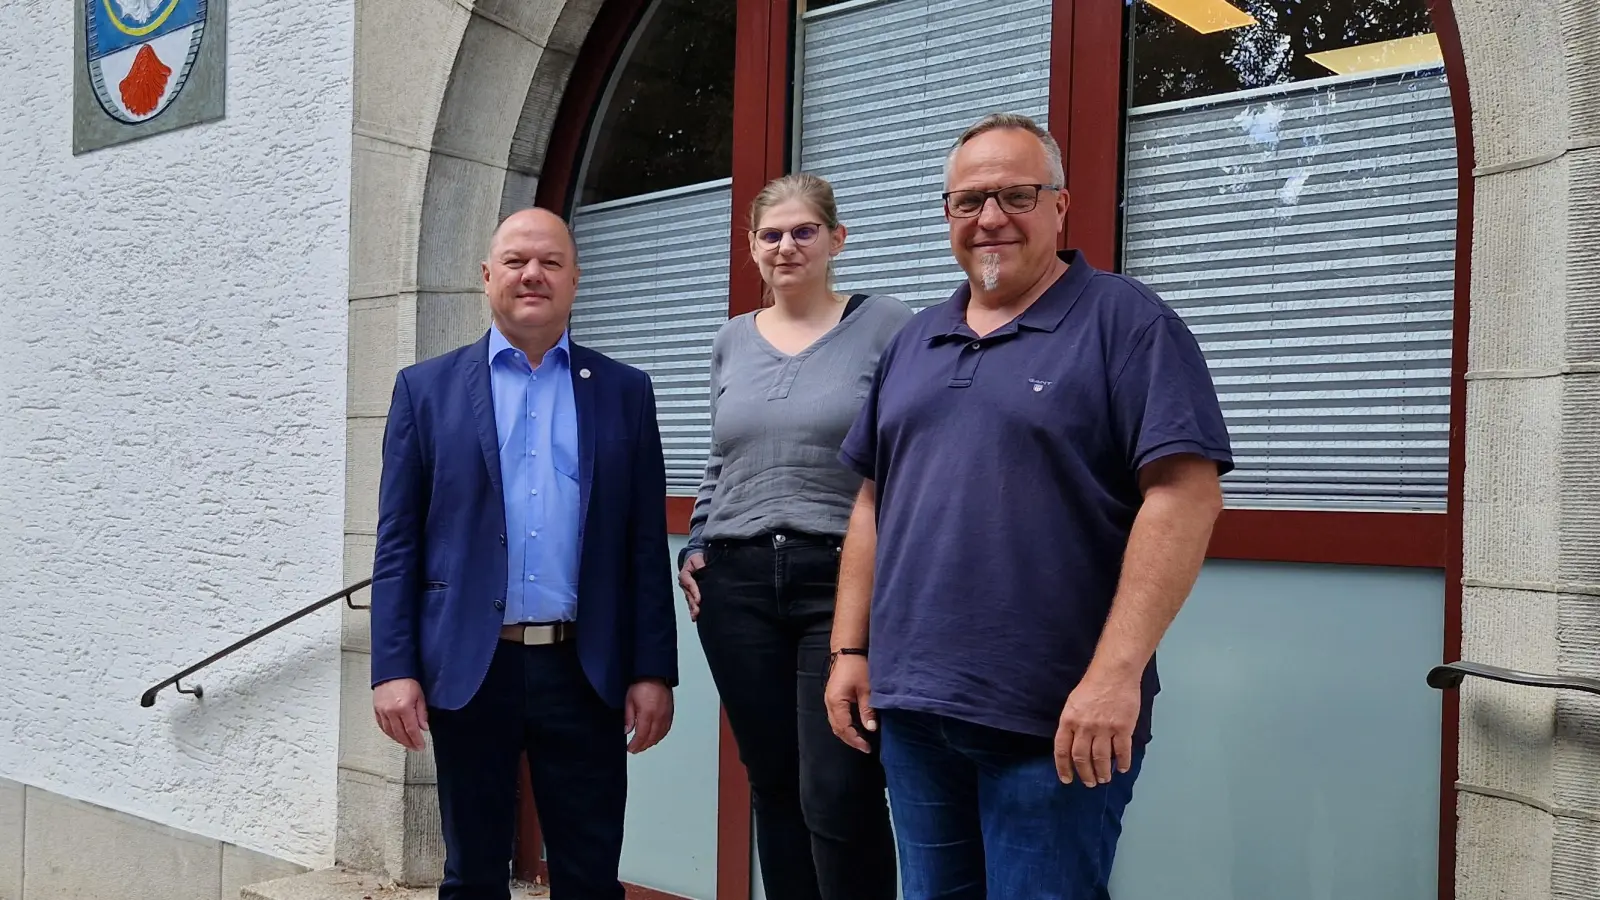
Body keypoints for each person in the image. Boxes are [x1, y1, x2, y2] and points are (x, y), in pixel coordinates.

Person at [824, 113, 1233, 899]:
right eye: (969, 201)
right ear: (947, 214)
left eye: (1016, 195)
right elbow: (873, 500)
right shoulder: (915, 340)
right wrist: (850, 651)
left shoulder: (1126, 323)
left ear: (1060, 205)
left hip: (1057, 716)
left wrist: (1116, 676)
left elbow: (1185, 497)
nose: (990, 220)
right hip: (914, 708)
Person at [368, 208, 678, 900]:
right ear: (486, 277)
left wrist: (654, 669)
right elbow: (397, 545)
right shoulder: (425, 391)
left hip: (585, 667)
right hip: (472, 666)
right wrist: (393, 668)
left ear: (575, 278)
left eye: (550, 262)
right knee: (472, 873)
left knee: (590, 874)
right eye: (515, 261)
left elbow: (641, 545)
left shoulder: (625, 393)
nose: (532, 274)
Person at [678, 173, 911, 900]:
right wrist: (695, 543)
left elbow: (908, 455)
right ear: (751, 248)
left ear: (836, 239)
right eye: (771, 235)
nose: (787, 246)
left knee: (838, 786)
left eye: (803, 231)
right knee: (773, 783)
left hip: (839, 581)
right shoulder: (730, 341)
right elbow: (723, 459)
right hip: (737, 583)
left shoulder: (888, 326)